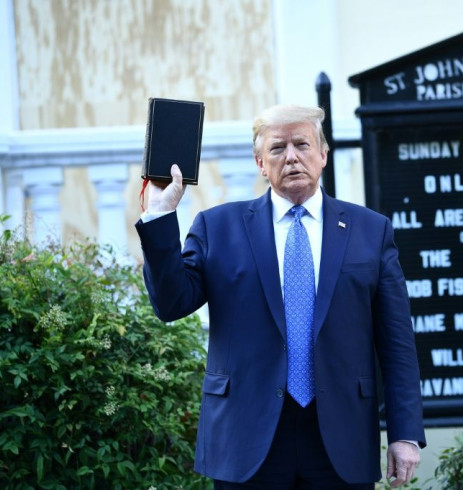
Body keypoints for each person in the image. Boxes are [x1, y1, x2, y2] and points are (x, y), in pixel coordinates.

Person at [135, 104, 426, 489]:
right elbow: (171, 304)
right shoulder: (218, 227)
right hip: (246, 438)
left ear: (323, 154)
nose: (291, 156)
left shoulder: (370, 231)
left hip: (341, 437)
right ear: (260, 162)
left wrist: (404, 433)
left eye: (302, 144)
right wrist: (160, 215)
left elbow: (397, 343)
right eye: (277, 148)